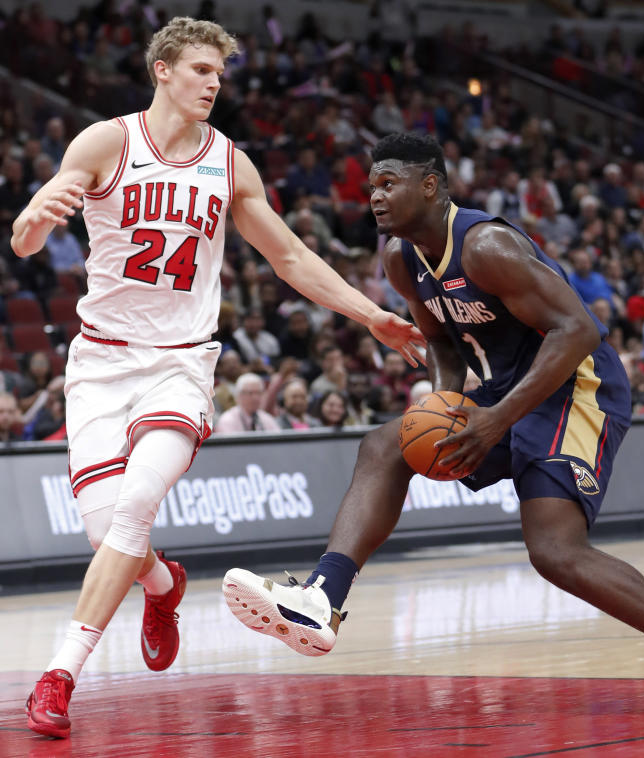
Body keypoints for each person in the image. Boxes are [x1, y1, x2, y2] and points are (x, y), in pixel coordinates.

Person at [223, 132, 644, 719]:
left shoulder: (487, 245)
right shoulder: (401, 259)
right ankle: (322, 598)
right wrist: (445, 409)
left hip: (578, 389)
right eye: (370, 186)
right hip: (507, 391)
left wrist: (492, 421)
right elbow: (443, 348)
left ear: (429, 186)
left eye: (388, 184)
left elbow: (579, 330)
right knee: (387, 443)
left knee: (555, 551)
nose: (373, 197)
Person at [12, 17, 423, 739]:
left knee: (137, 504)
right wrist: (33, 223)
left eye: (220, 74)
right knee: (107, 531)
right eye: (202, 70)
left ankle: (59, 675)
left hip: (181, 363)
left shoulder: (230, 162)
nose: (213, 83)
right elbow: (26, 235)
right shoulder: (108, 142)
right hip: (101, 364)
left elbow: (291, 258)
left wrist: (370, 316)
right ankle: (164, 585)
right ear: (163, 70)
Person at [213, 372, 281, 433]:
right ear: (239, 395)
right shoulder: (227, 420)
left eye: (258, 393)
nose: (255, 398)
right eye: (250, 393)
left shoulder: (266, 419)